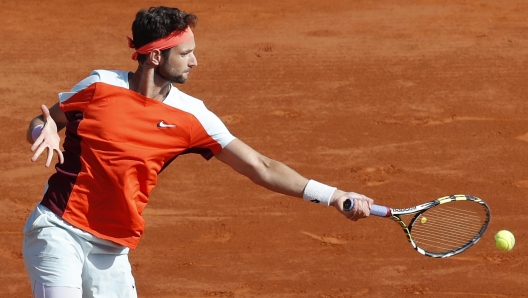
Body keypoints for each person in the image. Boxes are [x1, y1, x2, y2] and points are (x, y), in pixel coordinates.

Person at [23, 6, 374, 298]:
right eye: (186, 53)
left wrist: (332, 195)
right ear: (156, 56)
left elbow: (260, 166)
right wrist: (45, 129)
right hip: (59, 228)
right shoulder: (99, 86)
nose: (195, 62)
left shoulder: (193, 116)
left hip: (113, 247)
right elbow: (41, 123)